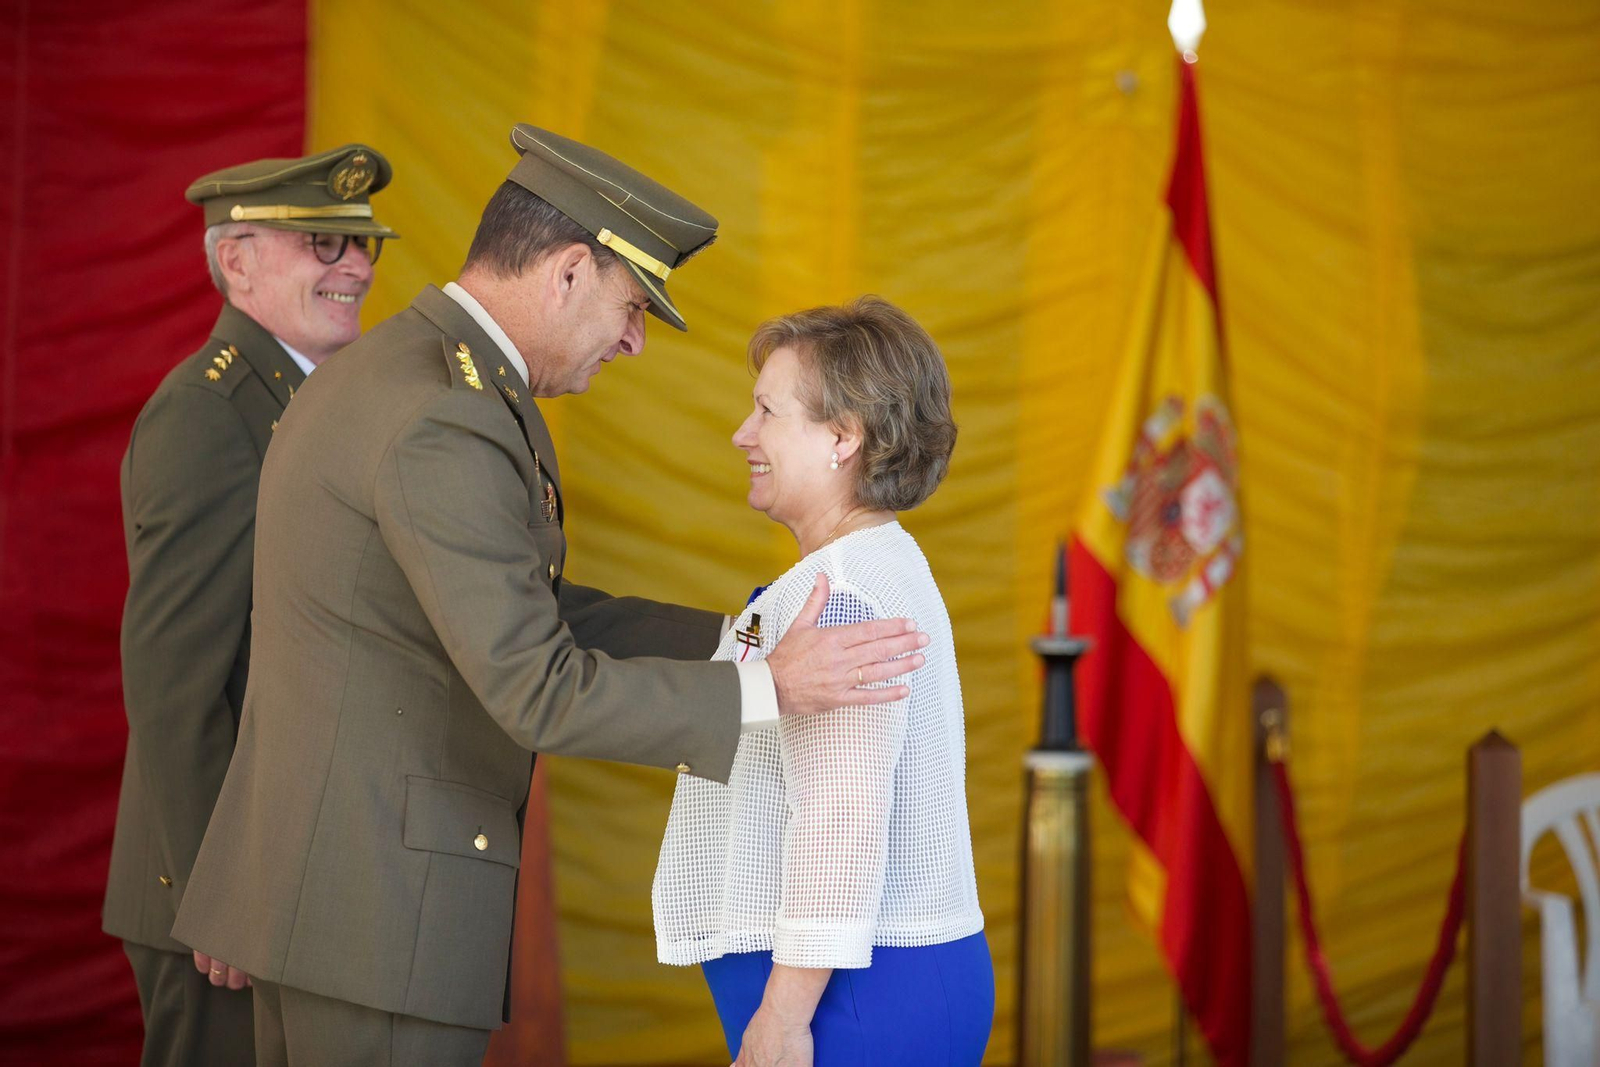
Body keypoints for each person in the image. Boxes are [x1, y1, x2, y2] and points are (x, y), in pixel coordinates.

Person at [171, 125, 931, 1067]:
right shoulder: (447, 412)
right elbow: (535, 680)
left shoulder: (415, 374)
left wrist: (748, 638)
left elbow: (534, 606)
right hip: (376, 918)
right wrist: (768, 687)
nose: (635, 342)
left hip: (330, 902)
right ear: (569, 272)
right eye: (631, 306)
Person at [102, 145, 398, 1067]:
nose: (353, 266)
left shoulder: (319, 403)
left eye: (364, 246)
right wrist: (216, 894)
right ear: (238, 262)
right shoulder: (209, 412)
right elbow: (171, 679)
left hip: (292, 881)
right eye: (323, 243)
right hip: (224, 899)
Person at [652, 297, 992, 1066]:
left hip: (845, 999)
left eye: (767, 411)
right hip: (880, 980)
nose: (744, 433)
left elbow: (841, 822)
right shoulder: (877, 560)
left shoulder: (840, 594)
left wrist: (781, 1017)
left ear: (843, 437)